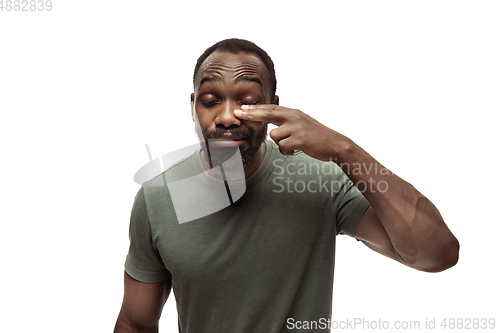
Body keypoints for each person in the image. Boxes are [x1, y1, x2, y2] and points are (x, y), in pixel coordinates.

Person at [114, 38, 459, 333]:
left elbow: (436, 254)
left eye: (248, 100)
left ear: (273, 107)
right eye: (210, 100)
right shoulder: (158, 198)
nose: (227, 116)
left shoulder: (320, 180)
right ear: (193, 107)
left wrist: (344, 150)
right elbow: (136, 323)